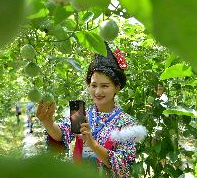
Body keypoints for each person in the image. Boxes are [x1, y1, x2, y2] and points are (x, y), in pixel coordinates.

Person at [36, 43, 147, 177]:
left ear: (117, 87)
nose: (98, 91)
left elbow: (122, 166)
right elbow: (61, 135)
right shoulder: (80, 114)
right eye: (93, 85)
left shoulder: (127, 123)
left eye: (105, 86)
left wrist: (92, 143)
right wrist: (47, 122)